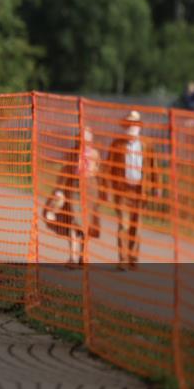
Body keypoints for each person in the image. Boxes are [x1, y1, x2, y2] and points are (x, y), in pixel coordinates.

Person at [101, 110, 160, 270]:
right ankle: (123, 259)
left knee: (136, 226)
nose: (131, 127)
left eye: (134, 124)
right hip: (122, 191)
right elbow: (108, 167)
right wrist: (105, 188)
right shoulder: (117, 144)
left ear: (139, 127)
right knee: (124, 225)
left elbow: (154, 167)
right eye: (128, 125)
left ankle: (133, 258)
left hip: (140, 191)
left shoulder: (147, 144)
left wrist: (157, 186)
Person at [44, 126, 101, 266]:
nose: (83, 141)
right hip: (74, 186)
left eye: (86, 138)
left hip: (90, 188)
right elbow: (65, 170)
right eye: (81, 137)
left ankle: (82, 256)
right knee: (74, 221)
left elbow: (98, 171)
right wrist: (59, 189)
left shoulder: (95, 154)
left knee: (86, 224)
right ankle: (73, 257)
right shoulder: (72, 153)